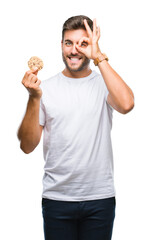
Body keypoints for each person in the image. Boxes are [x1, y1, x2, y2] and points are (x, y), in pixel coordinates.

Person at [17, 15, 134, 240]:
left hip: (99, 199)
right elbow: (27, 146)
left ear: (92, 45)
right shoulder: (45, 89)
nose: (74, 50)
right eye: (69, 43)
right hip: (57, 199)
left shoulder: (104, 83)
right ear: (61, 45)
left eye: (83, 43)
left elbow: (127, 104)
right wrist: (33, 98)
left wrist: (98, 55)